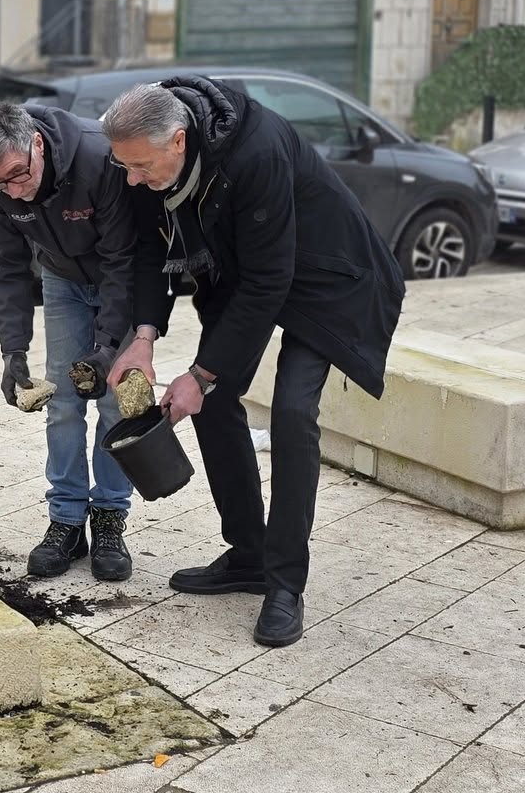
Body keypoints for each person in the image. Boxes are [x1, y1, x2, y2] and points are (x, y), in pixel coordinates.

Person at [102, 76, 403, 647]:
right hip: (246, 273)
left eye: (141, 167)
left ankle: (285, 583)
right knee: (212, 407)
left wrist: (201, 373)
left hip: (326, 280)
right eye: (125, 169)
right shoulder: (142, 155)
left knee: (291, 413)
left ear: (179, 141)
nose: (133, 179)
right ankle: (249, 554)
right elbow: (150, 249)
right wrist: (142, 338)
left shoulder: (256, 149)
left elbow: (271, 280)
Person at [0, 99, 138, 583]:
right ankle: (66, 519)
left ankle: (109, 518)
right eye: (2, 183)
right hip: (61, 279)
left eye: (20, 175)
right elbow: (4, 267)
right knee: (63, 401)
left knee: (114, 403)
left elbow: (125, 259)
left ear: (37, 144)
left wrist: (107, 347)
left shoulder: (97, 158)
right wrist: (12, 350)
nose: (15, 192)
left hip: (115, 277)